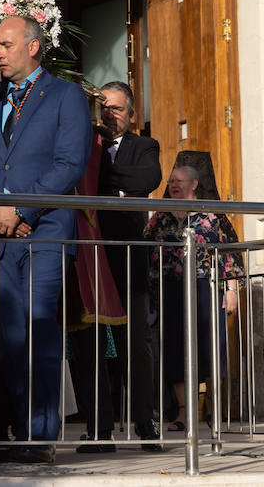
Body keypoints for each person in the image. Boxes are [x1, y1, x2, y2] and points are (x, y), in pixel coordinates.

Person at [0, 15, 92, 464]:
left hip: (45, 232)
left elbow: (69, 163)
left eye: (5, 45)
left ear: (33, 47)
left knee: (37, 330)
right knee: (10, 336)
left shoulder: (66, 96)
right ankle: (15, 431)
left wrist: (22, 209)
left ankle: (39, 435)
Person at [70, 81, 163, 452]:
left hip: (128, 254)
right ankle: (98, 427)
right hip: (90, 253)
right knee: (85, 338)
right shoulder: (83, 144)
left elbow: (148, 179)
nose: (110, 115)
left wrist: (101, 177)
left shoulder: (144, 146)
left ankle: (144, 422)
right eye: (103, 108)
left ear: (132, 114)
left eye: (118, 109)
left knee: (134, 341)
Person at [145, 165, 241, 430]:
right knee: (174, 348)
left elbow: (230, 251)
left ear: (195, 184)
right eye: (171, 180)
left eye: (179, 180)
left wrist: (231, 288)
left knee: (212, 346)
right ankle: (184, 414)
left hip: (206, 285)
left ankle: (214, 411)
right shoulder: (160, 216)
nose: (174, 184)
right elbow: (145, 248)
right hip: (169, 288)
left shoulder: (212, 214)